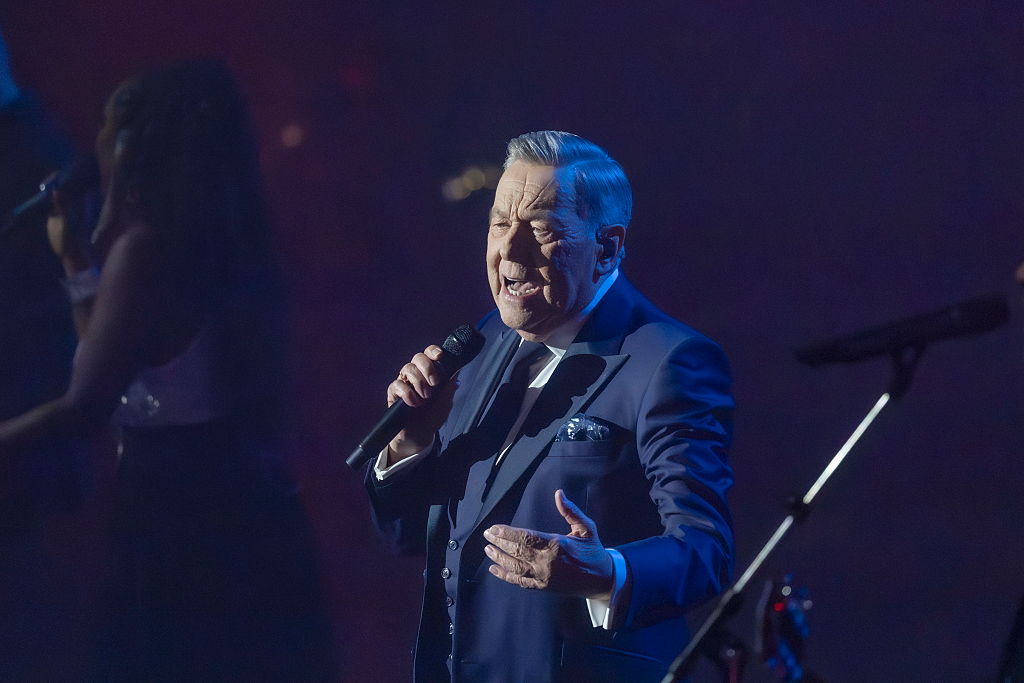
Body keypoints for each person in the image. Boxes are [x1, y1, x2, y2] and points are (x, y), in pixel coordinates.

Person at [0, 60, 334, 681]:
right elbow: (112, 361)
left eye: (109, 129)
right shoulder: (212, 234)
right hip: (233, 503)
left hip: (179, 514)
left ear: (137, 142)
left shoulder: (148, 247)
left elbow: (85, 404)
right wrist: (75, 258)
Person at [367, 131, 735, 682]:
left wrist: (605, 571)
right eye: (498, 223)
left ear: (606, 247)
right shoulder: (485, 340)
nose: (509, 252)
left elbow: (706, 548)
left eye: (540, 230)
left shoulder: (668, 361)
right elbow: (413, 539)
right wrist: (411, 442)